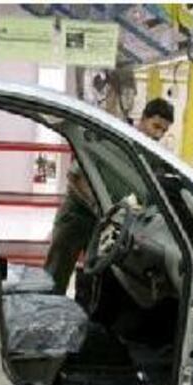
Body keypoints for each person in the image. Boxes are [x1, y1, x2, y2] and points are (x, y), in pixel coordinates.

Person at [44, 97, 175, 294]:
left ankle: (80, 318)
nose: (158, 134)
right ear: (143, 119)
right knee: (56, 274)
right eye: (155, 126)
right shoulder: (111, 139)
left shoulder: (150, 157)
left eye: (163, 131)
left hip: (107, 222)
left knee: (94, 279)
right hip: (77, 214)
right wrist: (97, 205)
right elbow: (75, 177)